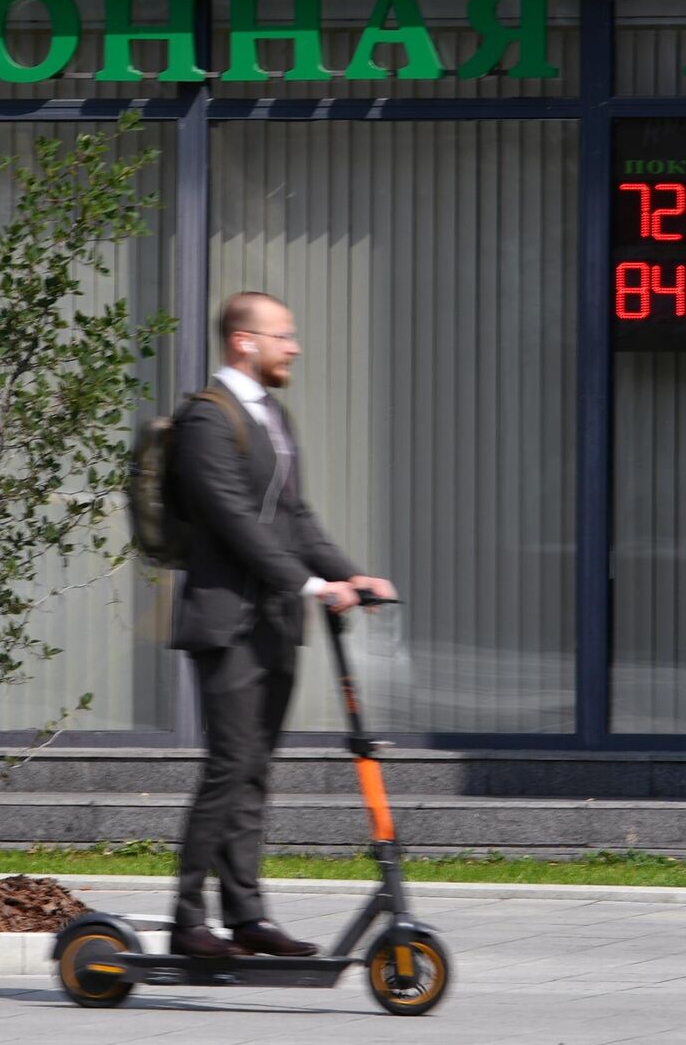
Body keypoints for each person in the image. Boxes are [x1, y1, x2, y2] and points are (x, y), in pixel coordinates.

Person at [166, 291, 398, 959]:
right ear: (245, 341)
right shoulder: (208, 421)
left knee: (256, 770)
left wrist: (350, 575)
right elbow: (234, 519)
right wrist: (307, 584)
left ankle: (246, 916)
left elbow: (295, 518)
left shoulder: (275, 417)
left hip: (274, 622)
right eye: (283, 336)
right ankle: (187, 919)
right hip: (226, 622)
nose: (293, 347)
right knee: (230, 765)